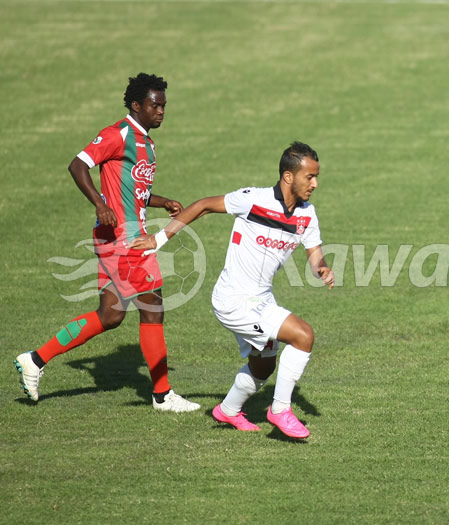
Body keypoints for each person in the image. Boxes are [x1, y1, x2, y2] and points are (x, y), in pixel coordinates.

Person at [14, 73, 200, 413]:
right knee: (153, 307)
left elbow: (131, 191)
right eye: (154, 105)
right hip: (124, 239)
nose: (161, 111)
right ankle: (162, 395)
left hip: (120, 235)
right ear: (136, 105)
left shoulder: (146, 141)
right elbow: (78, 165)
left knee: (110, 315)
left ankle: (35, 359)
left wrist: (162, 202)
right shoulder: (119, 134)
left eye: (163, 106)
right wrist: (99, 205)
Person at [131, 141, 334, 439]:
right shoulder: (254, 199)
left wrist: (321, 267)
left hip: (261, 297)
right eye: (310, 177)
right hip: (234, 299)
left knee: (263, 364)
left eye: (316, 177)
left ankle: (228, 409)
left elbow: (314, 250)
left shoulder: (307, 214)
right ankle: (280, 410)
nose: (315, 184)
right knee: (303, 335)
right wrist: (158, 239)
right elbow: (202, 206)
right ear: (289, 176)